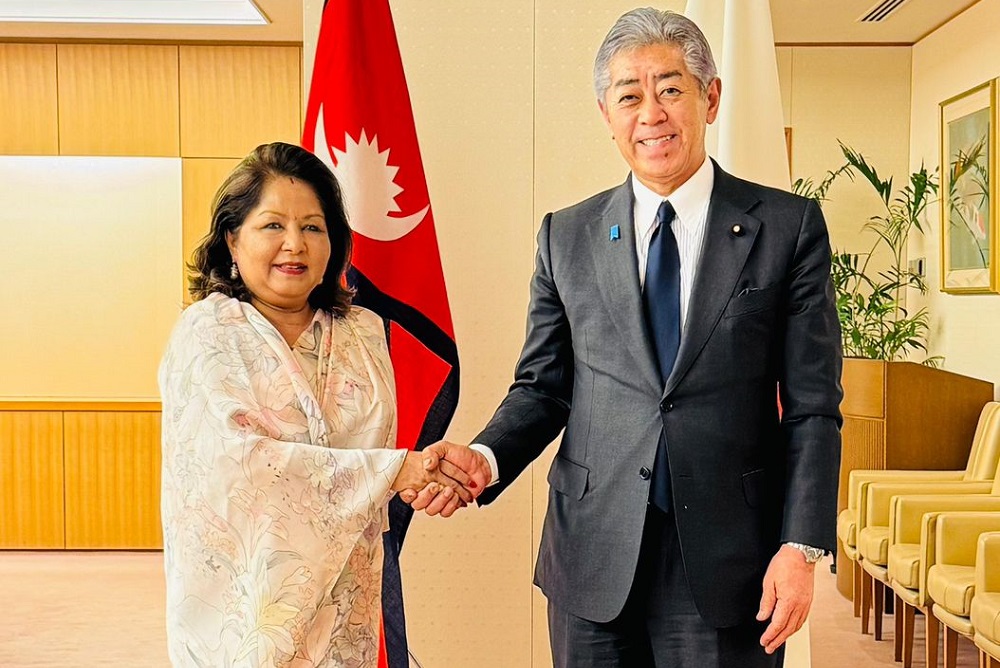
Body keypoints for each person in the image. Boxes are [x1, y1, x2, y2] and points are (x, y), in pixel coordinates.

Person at [406, 8, 843, 667]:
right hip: (592, 556)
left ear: (710, 98)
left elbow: (813, 407)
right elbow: (543, 387)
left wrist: (800, 547)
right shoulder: (566, 236)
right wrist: (486, 458)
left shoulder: (788, 228)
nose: (651, 114)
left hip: (731, 561)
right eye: (629, 96)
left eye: (670, 89)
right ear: (606, 114)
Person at [159, 142, 474, 667]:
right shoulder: (207, 334)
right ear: (232, 238)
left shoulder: (363, 332)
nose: (295, 244)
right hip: (246, 614)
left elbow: (377, 449)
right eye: (273, 225)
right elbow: (239, 466)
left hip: (347, 603)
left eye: (312, 227)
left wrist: (417, 476)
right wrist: (395, 470)